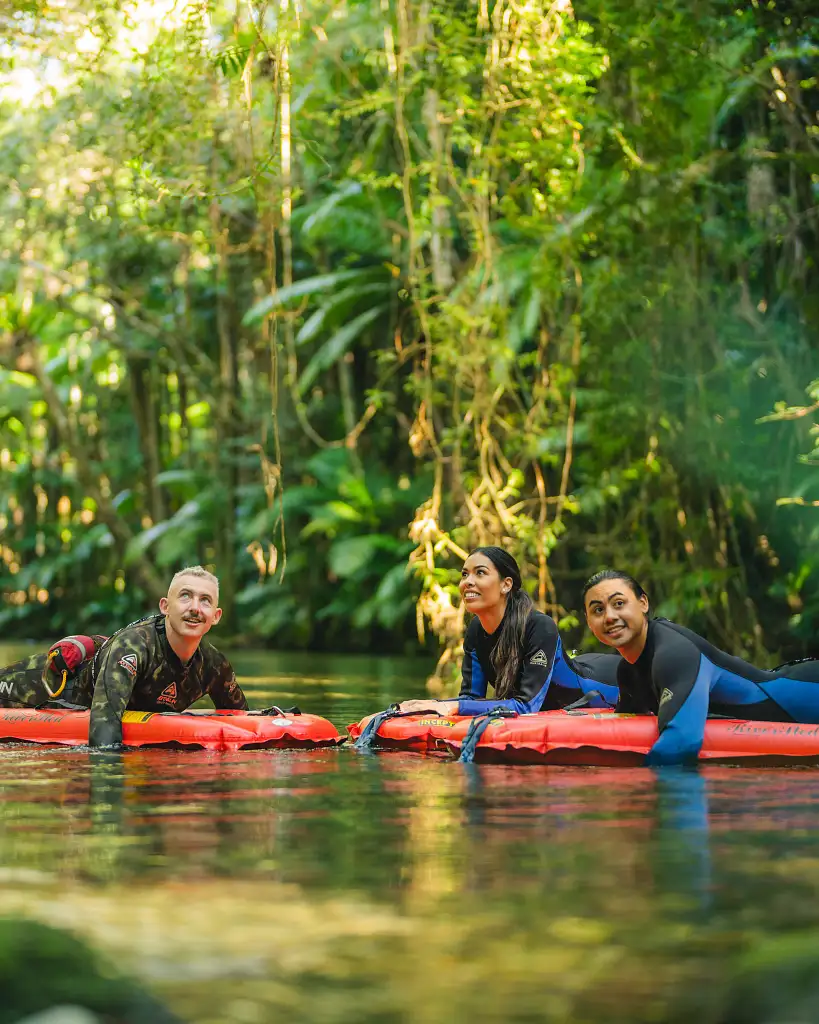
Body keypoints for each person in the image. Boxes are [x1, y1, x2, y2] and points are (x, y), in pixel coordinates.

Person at [582, 568, 819, 765]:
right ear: (589, 622)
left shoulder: (674, 653)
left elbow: (682, 742)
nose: (610, 617)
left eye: (619, 603)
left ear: (643, 603)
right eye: (598, 610)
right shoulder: (628, 671)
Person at [0, 566, 247, 747]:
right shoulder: (132, 648)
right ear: (165, 607)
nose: (195, 607)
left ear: (216, 616)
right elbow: (103, 736)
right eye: (185, 596)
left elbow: (244, 721)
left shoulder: (215, 666)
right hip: (40, 688)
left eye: (205, 600)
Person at [396, 547, 620, 718]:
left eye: (480, 573)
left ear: (506, 585)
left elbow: (526, 706)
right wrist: (430, 705)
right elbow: (470, 698)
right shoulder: (476, 630)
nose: (467, 582)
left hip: (609, 680)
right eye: (464, 575)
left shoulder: (540, 627)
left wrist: (450, 706)